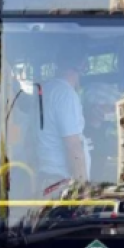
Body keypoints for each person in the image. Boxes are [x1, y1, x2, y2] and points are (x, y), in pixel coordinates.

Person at [36, 44, 90, 198]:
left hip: (49, 180)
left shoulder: (47, 90)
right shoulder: (65, 94)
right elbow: (73, 145)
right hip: (62, 183)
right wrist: (82, 190)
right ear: (82, 65)